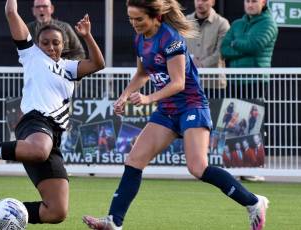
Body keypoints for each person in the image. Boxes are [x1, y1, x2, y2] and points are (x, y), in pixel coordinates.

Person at [82, 1, 269, 230]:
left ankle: (254, 202)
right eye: (131, 18)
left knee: (197, 168)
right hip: (167, 110)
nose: (134, 24)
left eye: (139, 19)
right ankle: (114, 221)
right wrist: (124, 96)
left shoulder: (171, 39)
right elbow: (142, 73)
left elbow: (179, 83)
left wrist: (148, 98)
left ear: (156, 17)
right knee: (134, 160)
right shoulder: (140, 38)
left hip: (191, 106)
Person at [0, 0, 104, 226]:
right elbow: (10, 11)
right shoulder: (31, 54)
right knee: (38, 149)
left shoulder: (69, 68)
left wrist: (87, 35)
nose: (51, 47)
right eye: (45, 42)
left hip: (52, 137)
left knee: (56, 212)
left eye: (56, 43)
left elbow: (98, 63)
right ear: (37, 43)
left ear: (63, 46)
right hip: (34, 122)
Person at [221, 0, 278, 99]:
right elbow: (224, 49)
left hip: (255, 81)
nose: (250, 5)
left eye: (254, 1)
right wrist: (245, 48)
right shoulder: (236, 24)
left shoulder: (269, 24)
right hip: (233, 81)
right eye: (247, 1)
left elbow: (254, 46)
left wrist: (234, 43)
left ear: (263, 2)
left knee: (253, 114)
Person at [186, 0, 230, 98]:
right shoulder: (185, 22)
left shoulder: (222, 23)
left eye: (204, 0)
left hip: (214, 84)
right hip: (189, 83)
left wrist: (202, 64)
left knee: (213, 113)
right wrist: (189, 61)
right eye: (197, 0)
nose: (200, 3)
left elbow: (222, 51)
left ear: (213, 2)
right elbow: (179, 47)